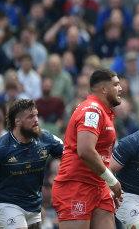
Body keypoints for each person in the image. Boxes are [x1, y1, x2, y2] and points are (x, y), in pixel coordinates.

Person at [0, 99, 64, 229]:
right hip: (7, 205)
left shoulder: (45, 138)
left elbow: (69, 154)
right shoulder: (1, 146)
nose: (36, 120)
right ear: (18, 121)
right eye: (30, 117)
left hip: (34, 205)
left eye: (36, 115)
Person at [51, 69, 123, 228]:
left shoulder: (103, 113)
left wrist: (106, 183)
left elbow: (101, 157)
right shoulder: (92, 110)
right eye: (116, 84)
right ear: (104, 89)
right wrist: (111, 180)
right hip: (76, 185)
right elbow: (85, 151)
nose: (121, 88)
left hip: (98, 185)